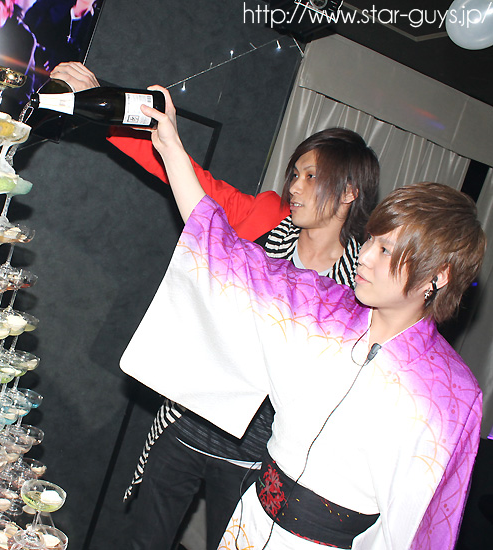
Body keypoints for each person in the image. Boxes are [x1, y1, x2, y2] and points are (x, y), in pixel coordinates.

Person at [118, 86, 485, 549]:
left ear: (438, 275)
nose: (366, 256)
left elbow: (421, 527)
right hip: (250, 520)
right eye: (371, 241)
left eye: (385, 249)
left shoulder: (451, 394)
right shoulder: (322, 307)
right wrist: (170, 145)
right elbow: (221, 247)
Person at [50, 61, 380, 550]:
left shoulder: (363, 285)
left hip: (258, 458)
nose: (294, 186)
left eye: (312, 176)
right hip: (187, 426)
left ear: (349, 191)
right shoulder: (265, 220)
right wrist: (105, 103)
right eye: (295, 173)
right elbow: (189, 182)